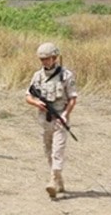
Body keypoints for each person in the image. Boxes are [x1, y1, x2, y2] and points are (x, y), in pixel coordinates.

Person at [25, 42, 78, 198]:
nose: (44, 62)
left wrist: (65, 114)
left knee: (57, 151)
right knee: (48, 152)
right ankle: (59, 180)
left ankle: (52, 181)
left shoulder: (66, 75)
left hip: (60, 118)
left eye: (47, 59)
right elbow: (28, 96)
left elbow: (73, 99)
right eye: (42, 59)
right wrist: (37, 103)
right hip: (44, 119)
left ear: (55, 57)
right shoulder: (38, 76)